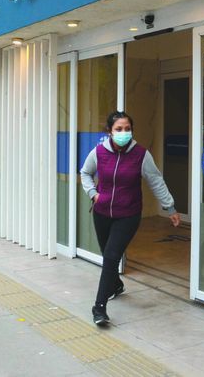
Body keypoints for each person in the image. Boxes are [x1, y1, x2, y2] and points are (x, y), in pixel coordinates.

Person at [80, 110, 180, 326]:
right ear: (109, 131)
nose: (123, 132)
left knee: (111, 256)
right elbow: (85, 173)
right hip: (101, 213)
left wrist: (169, 207)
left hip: (128, 215)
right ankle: (116, 285)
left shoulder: (141, 155)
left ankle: (99, 307)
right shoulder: (99, 152)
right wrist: (93, 194)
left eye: (127, 129)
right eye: (119, 129)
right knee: (108, 255)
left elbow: (156, 180)